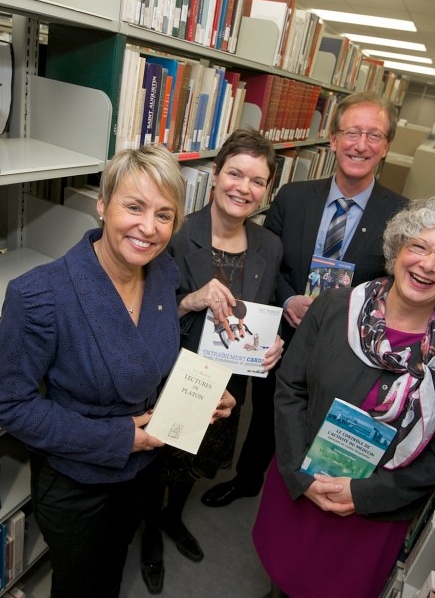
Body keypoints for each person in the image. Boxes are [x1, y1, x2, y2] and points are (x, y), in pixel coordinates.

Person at [0, 145, 234, 598]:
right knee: (79, 586)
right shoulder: (41, 295)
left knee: (113, 571)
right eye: (134, 207)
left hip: (141, 474)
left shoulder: (163, 274)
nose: (148, 227)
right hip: (79, 483)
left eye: (164, 214)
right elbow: (8, 403)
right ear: (102, 205)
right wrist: (121, 438)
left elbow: (150, 355)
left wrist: (202, 395)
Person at [252, 196, 435, 598]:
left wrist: (363, 495)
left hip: (371, 513)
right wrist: (301, 474)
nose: (427, 265)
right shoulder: (332, 307)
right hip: (301, 481)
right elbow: (291, 389)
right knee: (282, 575)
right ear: (398, 248)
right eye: (418, 246)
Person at [202, 91, 409, 508]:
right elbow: (266, 263)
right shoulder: (294, 197)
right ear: (332, 139)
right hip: (284, 332)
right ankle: (248, 480)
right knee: (267, 413)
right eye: (351, 132)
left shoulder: (399, 216)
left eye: (374, 135)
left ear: (386, 147)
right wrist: (289, 299)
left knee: (322, 420)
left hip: (347, 348)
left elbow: (394, 288)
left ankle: (311, 489)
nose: (361, 145)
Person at [140, 128, 284, 594]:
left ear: (267, 191)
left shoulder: (270, 247)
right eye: (235, 174)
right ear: (216, 175)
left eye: (257, 181)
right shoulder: (175, 233)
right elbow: (143, 315)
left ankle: (173, 518)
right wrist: (189, 302)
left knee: (192, 462)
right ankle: (148, 539)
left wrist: (272, 344)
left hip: (225, 384)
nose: (244, 188)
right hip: (170, 374)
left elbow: (259, 316)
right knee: (156, 460)